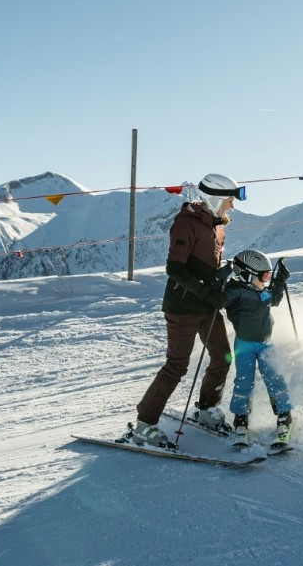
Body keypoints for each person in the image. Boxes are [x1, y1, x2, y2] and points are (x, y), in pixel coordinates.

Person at [128, 173, 245, 447]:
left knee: (223, 357)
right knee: (176, 366)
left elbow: (205, 264)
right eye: (229, 200)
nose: (232, 206)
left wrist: (223, 274)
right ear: (214, 199)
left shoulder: (217, 226)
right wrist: (206, 291)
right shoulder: (186, 224)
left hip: (207, 306)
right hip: (183, 307)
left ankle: (206, 409)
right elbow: (175, 268)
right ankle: (144, 424)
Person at [221, 249, 294, 450]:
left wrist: (279, 281)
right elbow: (218, 301)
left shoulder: (262, 290)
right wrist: (219, 282)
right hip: (244, 345)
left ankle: (284, 418)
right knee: (244, 382)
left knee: (275, 379)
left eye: (269, 275)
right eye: (264, 275)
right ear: (247, 274)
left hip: (266, 342)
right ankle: (241, 422)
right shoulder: (234, 291)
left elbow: (276, 299)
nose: (266, 280)